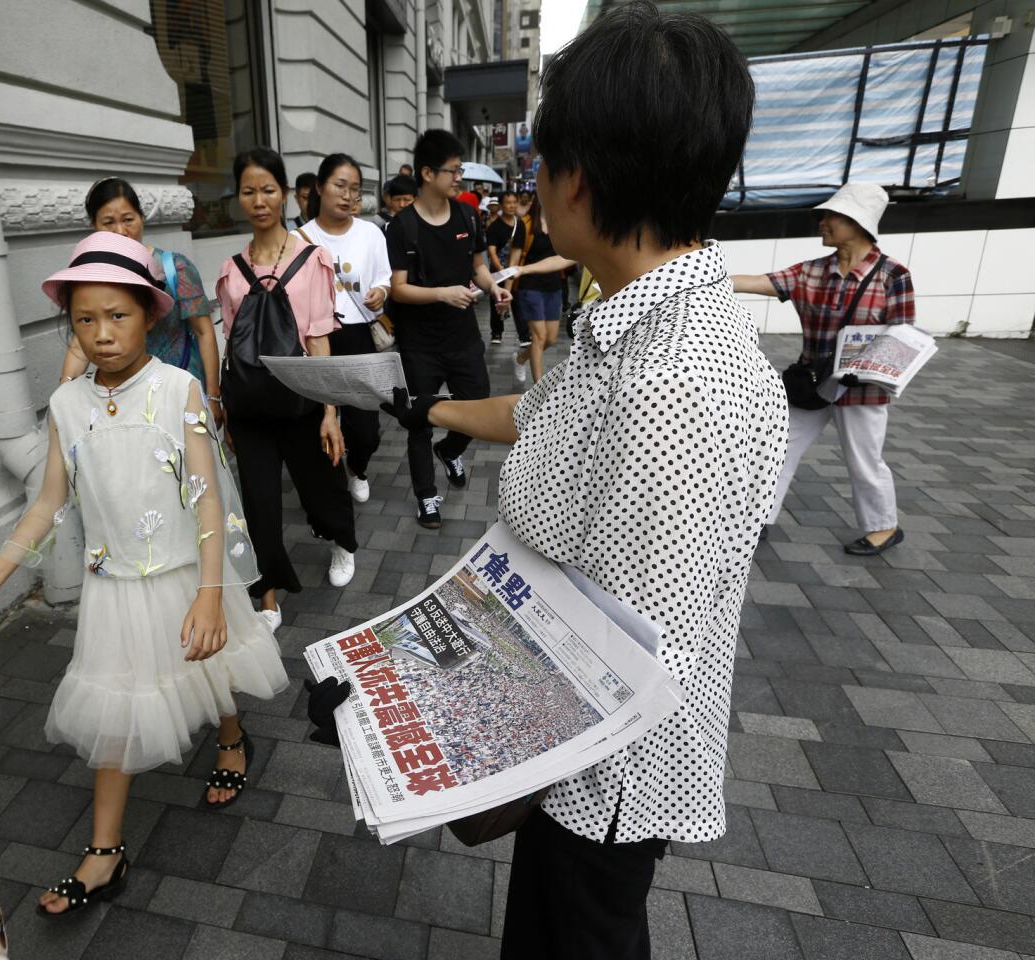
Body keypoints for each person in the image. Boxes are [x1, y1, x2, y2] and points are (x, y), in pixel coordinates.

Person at [382, 3, 785, 956]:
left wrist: (418, 714)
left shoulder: (676, 381)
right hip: (574, 756)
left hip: (602, 778)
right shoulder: (633, 332)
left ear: (574, 178)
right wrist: (426, 410)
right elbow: (537, 418)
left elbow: (610, 653)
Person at [0, 232, 287, 919]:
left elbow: (207, 496)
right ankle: (105, 849)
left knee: (215, 661)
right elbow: (49, 502)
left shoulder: (178, 390)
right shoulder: (66, 405)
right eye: (84, 319)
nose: (101, 334)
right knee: (116, 706)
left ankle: (231, 736)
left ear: (150, 313)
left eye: (117, 315)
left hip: (188, 571)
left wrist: (212, 594)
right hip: (113, 588)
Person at [217, 147, 360, 627]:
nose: (259, 200)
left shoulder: (313, 259)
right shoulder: (231, 269)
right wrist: (225, 403)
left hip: (300, 400)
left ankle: (342, 540)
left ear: (285, 194)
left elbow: (318, 339)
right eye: (248, 191)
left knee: (321, 485)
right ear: (238, 198)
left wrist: (330, 412)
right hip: (250, 406)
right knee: (258, 501)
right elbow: (230, 340)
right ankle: (268, 594)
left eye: (268, 190)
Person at [732, 182, 913, 555]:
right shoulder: (810, 272)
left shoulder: (893, 276)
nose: (822, 222)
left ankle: (884, 527)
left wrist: (867, 366)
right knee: (778, 449)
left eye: (831, 216)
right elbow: (762, 282)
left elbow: (904, 338)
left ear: (857, 221)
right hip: (811, 385)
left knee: (864, 461)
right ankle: (758, 517)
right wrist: (701, 278)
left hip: (863, 390)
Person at [385, 128, 512, 529]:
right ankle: (426, 497)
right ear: (427, 173)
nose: (459, 177)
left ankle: (451, 449)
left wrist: (494, 288)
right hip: (419, 342)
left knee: (477, 399)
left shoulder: (467, 215)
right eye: (453, 170)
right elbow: (399, 290)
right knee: (419, 419)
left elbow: (478, 267)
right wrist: (442, 294)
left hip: (462, 336)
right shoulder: (402, 226)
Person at [60, 177, 224, 427]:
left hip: (180, 395)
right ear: (94, 225)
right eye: (108, 222)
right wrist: (65, 391)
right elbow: (81, 343)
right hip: (123, 399)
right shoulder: (92, 276)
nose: (120, 231)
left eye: (128, 220)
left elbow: (203, 332)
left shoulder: (174, 268)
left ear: (141, 218)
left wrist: (212, 395)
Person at [295, 153, 392, 504]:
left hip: (357, 335)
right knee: (321, 418)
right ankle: (330, 490)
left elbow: (385, 278)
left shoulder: (371, 233)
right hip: (315, 339)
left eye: (355, 189)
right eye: (340, 186)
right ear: (319, 188)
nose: (349, 196)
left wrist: (380, 293)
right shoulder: (298, 238)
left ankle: (358, 468)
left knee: (366, 430)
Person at [508, 196, 577, 386]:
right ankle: (538, 388)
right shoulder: (526, 224)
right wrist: (506, 293)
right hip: (529, 286)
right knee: (539, 337)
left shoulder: (560, 225)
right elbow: (513, 262)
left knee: (551, 339)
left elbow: (568, 256)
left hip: (553, 286)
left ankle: (520, 358)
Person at [485, 190, 526, 346]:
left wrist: (511, 271)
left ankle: (524, 334)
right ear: (502, 205)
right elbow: (491, 251)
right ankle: (496, 332)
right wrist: (502, 269)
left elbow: (519, 249)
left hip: (515, 270)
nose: (511, 206)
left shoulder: (519, 224)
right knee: (496, 299)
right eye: (508, 203)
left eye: (514, 202)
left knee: (517, 301)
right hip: (497, 272)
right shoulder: (494, 227)